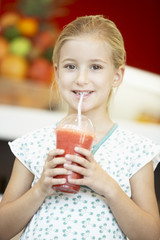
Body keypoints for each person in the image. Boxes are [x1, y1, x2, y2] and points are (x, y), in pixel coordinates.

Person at [0, 15, 160, 240]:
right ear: (56, 72)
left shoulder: (136, 151)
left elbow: (152, 235)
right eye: (70, 66)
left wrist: (110, 188)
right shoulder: (31, 145)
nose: (81, 79)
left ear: (117, 75)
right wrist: (40, 190)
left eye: (95, 67)